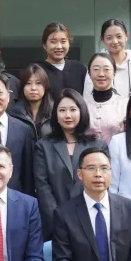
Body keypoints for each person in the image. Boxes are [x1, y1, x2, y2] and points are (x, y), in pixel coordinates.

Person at [34, 89, 96, 238]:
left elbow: (100, 183)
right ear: (55, 114)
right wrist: (59, 219)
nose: (67, 115)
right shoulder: (43, 146)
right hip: (55, 223)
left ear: (82, 111)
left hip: (90, 219)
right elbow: (42, 187)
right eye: (62, 110)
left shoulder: (97, 145)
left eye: (73, 110)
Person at [82, 51, 127, 142]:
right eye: (96, 69)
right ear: (89, 74)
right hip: (87, 154)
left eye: (106, 69)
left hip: (116, 155)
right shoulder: (81, 104)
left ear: (114, 74)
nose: (101, 74)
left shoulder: (125, 104)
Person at [101, 19, 131, 97]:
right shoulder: (96, 67)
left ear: (126, 36)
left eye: (119, 36)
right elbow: (89, 99)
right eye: (109, 38)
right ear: (103, 40)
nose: (115, 41)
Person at [38, 22, 88, 99]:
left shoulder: (79, 69)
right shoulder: (38, 70)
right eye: (53, 42)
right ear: (44, 45)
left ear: (69, 44)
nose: (59, 46)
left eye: (63, 41)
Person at [8, 63, 53, 138]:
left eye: (38, 83)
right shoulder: (14, 114)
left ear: (45, 86)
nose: (33, 88)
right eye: (28, 83)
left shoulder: (55, 112)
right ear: (22, 87)